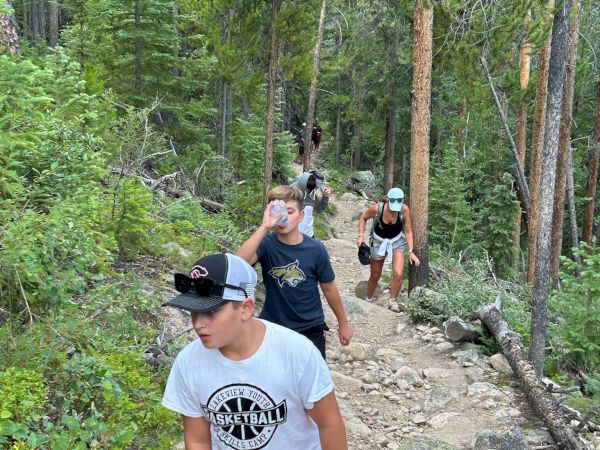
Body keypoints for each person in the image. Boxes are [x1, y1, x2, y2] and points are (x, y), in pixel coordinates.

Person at [161, 252, 348, 450]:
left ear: (245, 308)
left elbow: (329, 424)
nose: (198, 324)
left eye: (210, 312)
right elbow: (198, 440)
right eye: (194, 312)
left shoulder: (296, 352)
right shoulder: (188, 362)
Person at [236, 185, 353, 358]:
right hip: (273, 327)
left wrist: (343, 323)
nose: (283, 217)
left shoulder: (315, 249)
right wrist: (264, 226)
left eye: (289, 212)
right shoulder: (266, 244)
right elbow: (237, 264)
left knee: (314, 383)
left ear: (301, 215)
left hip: (310, 327)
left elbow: (328, 288)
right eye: (279, 211)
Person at [356, 187, 420, 311]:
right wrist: (360, 236)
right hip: (378, 241)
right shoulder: (377, 208)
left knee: (398, 273)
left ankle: (392, 301)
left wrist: (411, 251)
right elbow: (363, 218)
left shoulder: (404, 210)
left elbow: (408, 231)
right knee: (375, 275)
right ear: (388, 201)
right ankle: (368, 299)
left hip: (397, 241)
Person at [290, 170, 331, 238]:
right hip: (292, 237)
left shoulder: (311, 195)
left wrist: (325, 197)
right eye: (308, 189)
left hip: (309, 235)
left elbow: (319, 209)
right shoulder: (289, 192)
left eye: (313, 188)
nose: (310, 191)